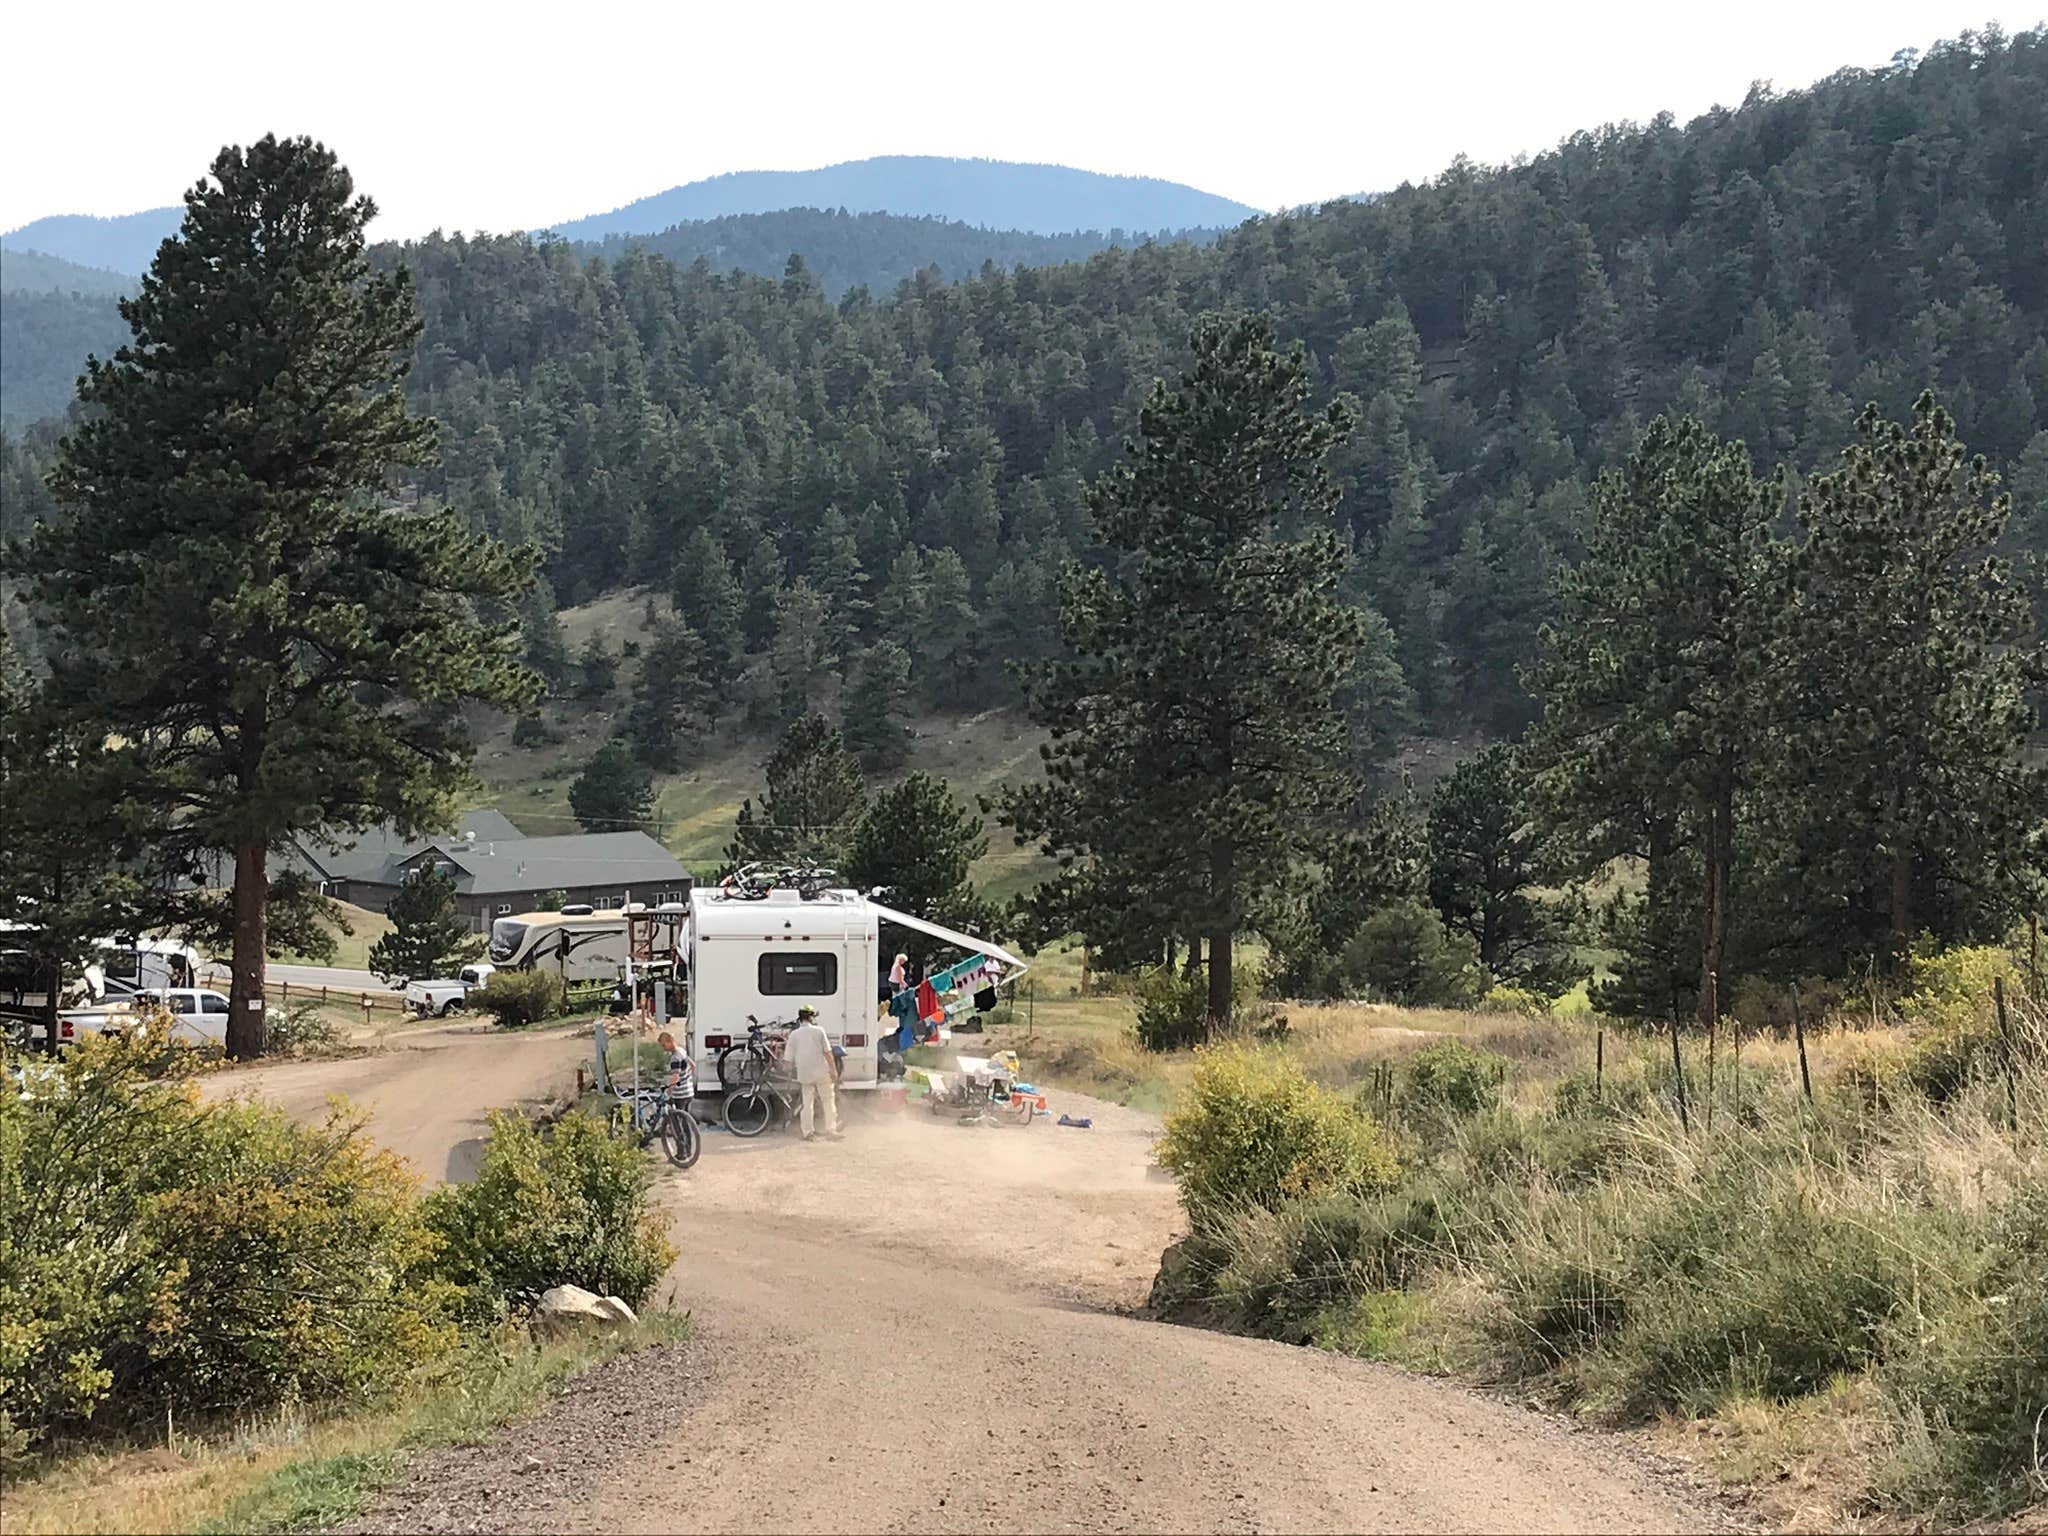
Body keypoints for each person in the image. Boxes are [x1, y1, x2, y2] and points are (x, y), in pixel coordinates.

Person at [784, 1005, 840, 1141]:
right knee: (828, 1100)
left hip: (804, 1073)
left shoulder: (794, 1034)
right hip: (821, 1071)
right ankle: (831, 1130)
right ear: (811, 1017)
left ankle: (808, 1132)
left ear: (800, 1018)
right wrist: (833, 1070)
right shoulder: (819, 1031)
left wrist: (788, 1071)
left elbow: (788, 1059)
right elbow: (827, 1053)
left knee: (807, 1103)